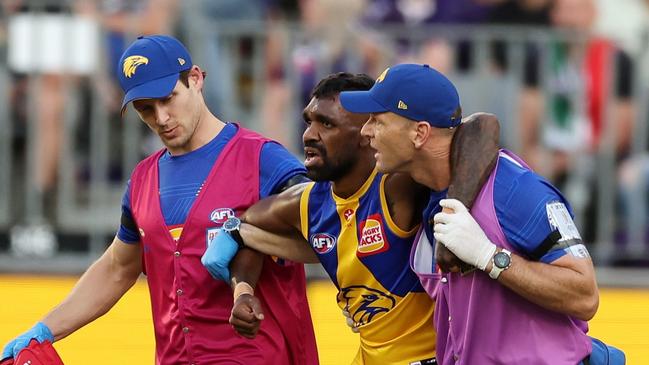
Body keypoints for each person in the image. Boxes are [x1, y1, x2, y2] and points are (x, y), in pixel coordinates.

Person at [2, 35, 318, 365]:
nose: (161, 118)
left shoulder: (262, 160)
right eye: (146, 109)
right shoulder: (142, 180)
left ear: (196, 79)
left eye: (168, 99)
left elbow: (329, 231)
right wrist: (45, 329)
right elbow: (117, 267)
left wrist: (246, 233)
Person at [202, 72, 500, 364]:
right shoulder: (306, 203)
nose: (309, 135)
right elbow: (244, 229)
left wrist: (454, 216)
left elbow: (483, 126)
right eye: (309, 121)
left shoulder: (397, 185)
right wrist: (243, 291)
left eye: (327, 124)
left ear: (366, 133)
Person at [339, 63, 625, 364]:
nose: (365, 131)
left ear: (420, 133)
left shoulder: (512, 189)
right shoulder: (426, 198)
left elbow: (585, 295)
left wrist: (491, 257)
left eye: (377, 120)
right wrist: (375, 308)